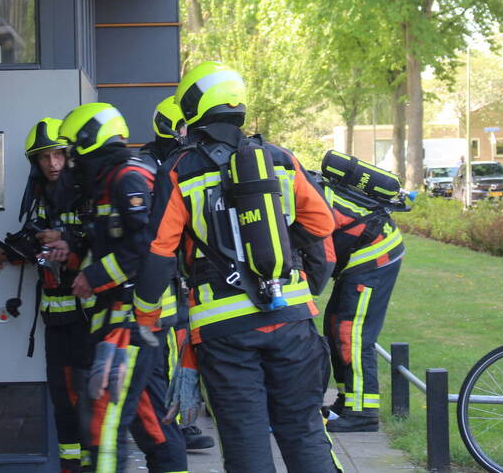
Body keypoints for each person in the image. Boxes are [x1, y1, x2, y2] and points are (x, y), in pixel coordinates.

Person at [135, 61, 341, 473]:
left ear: (192, 109)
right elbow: (322, 223)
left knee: (245, 439)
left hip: (225, 332)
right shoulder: (279, 158)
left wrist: (146, 314)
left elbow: (160, 251)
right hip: (291, 318)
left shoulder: (179, 170)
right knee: (303, 431)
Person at [58, 103, 187, 473]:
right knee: (151, 423)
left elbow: (147, 245)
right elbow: (112, 244)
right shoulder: (108, 181)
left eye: (71, 150)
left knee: (105, 417)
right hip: (122, 318)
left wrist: (94, 276)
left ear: (88, 141)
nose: (69, 161)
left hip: (132, 319)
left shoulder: (127, 177)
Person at [0, 118, 88, 472]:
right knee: (63, 399)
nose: (52, 164)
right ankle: (71, 467)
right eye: (44, 157)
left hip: (90, 319)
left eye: (58, 154)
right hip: (56, 318)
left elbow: (98, 245)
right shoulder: (42, 199)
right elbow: (35, 239)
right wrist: (11, 252)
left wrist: (65, 243)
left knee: (90, 400)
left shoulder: (86, 194)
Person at [138, 96, 214, 452]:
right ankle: (174, 426)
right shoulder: (155, 164)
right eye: (185, 126)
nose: (190, 133)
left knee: (186, 345)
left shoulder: (182, 162)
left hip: (181, 272)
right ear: (172, 127)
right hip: (162, 276)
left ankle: (184, 419)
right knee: (172, 348)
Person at [320, 180, 405, 433]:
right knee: (334, 326)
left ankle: (363, 413)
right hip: (359, 252)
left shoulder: (299, 196)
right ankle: (347, 402)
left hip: (374, 252)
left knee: (351, 332)